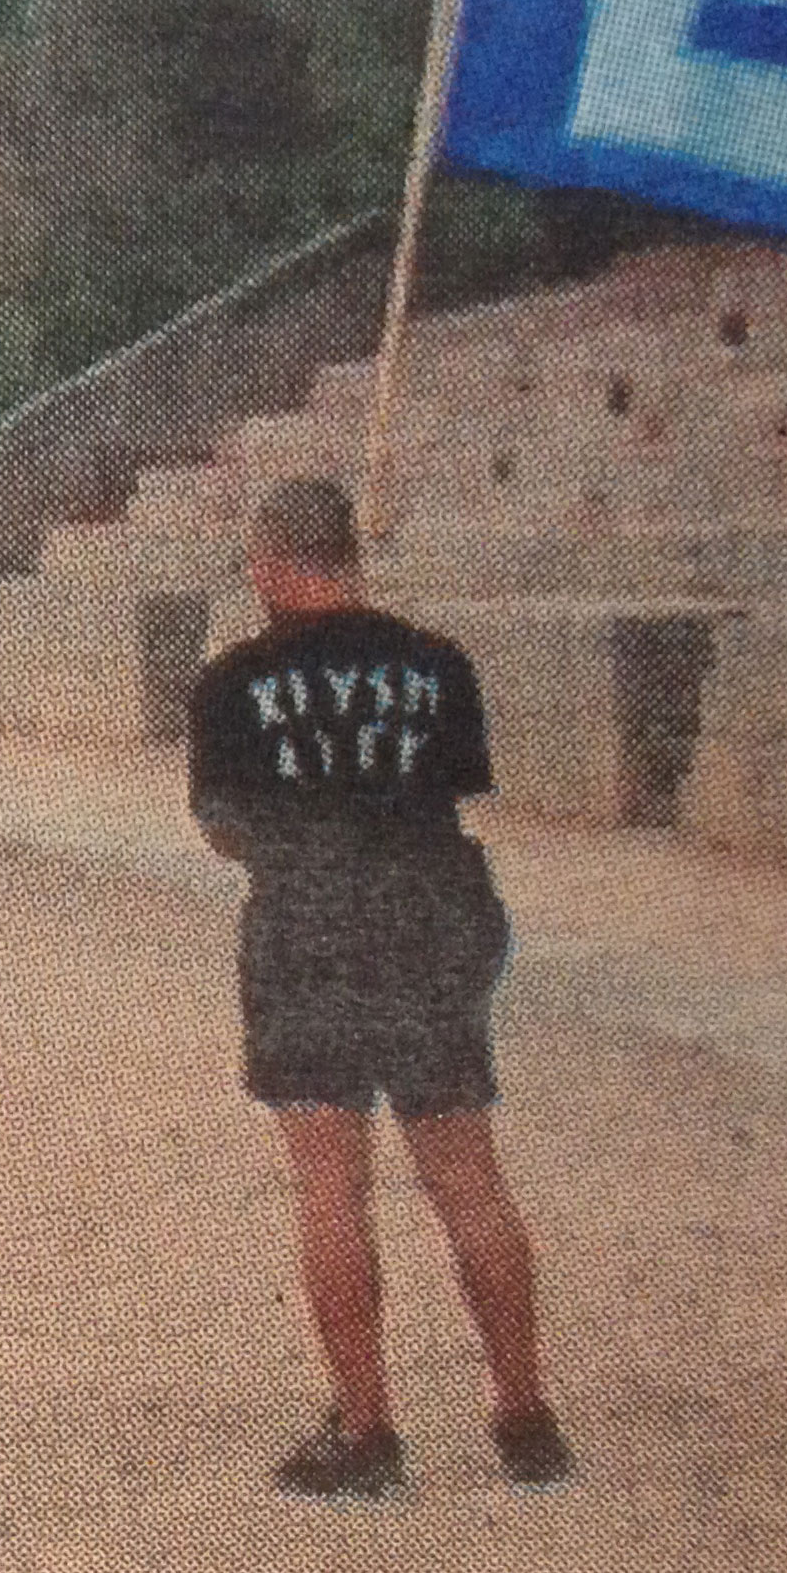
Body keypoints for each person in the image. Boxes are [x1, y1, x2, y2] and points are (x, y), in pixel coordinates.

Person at [185, 477, 569, 1499]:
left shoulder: (232, 680)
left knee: (330, 1181)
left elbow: (224, 827)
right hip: (429, 913)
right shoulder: (437, 663)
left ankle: (368, 1429)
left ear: (272, 561)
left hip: (310, 916)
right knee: (465, 1171)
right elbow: (448, 790)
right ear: (351, 554)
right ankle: (525, 1414)